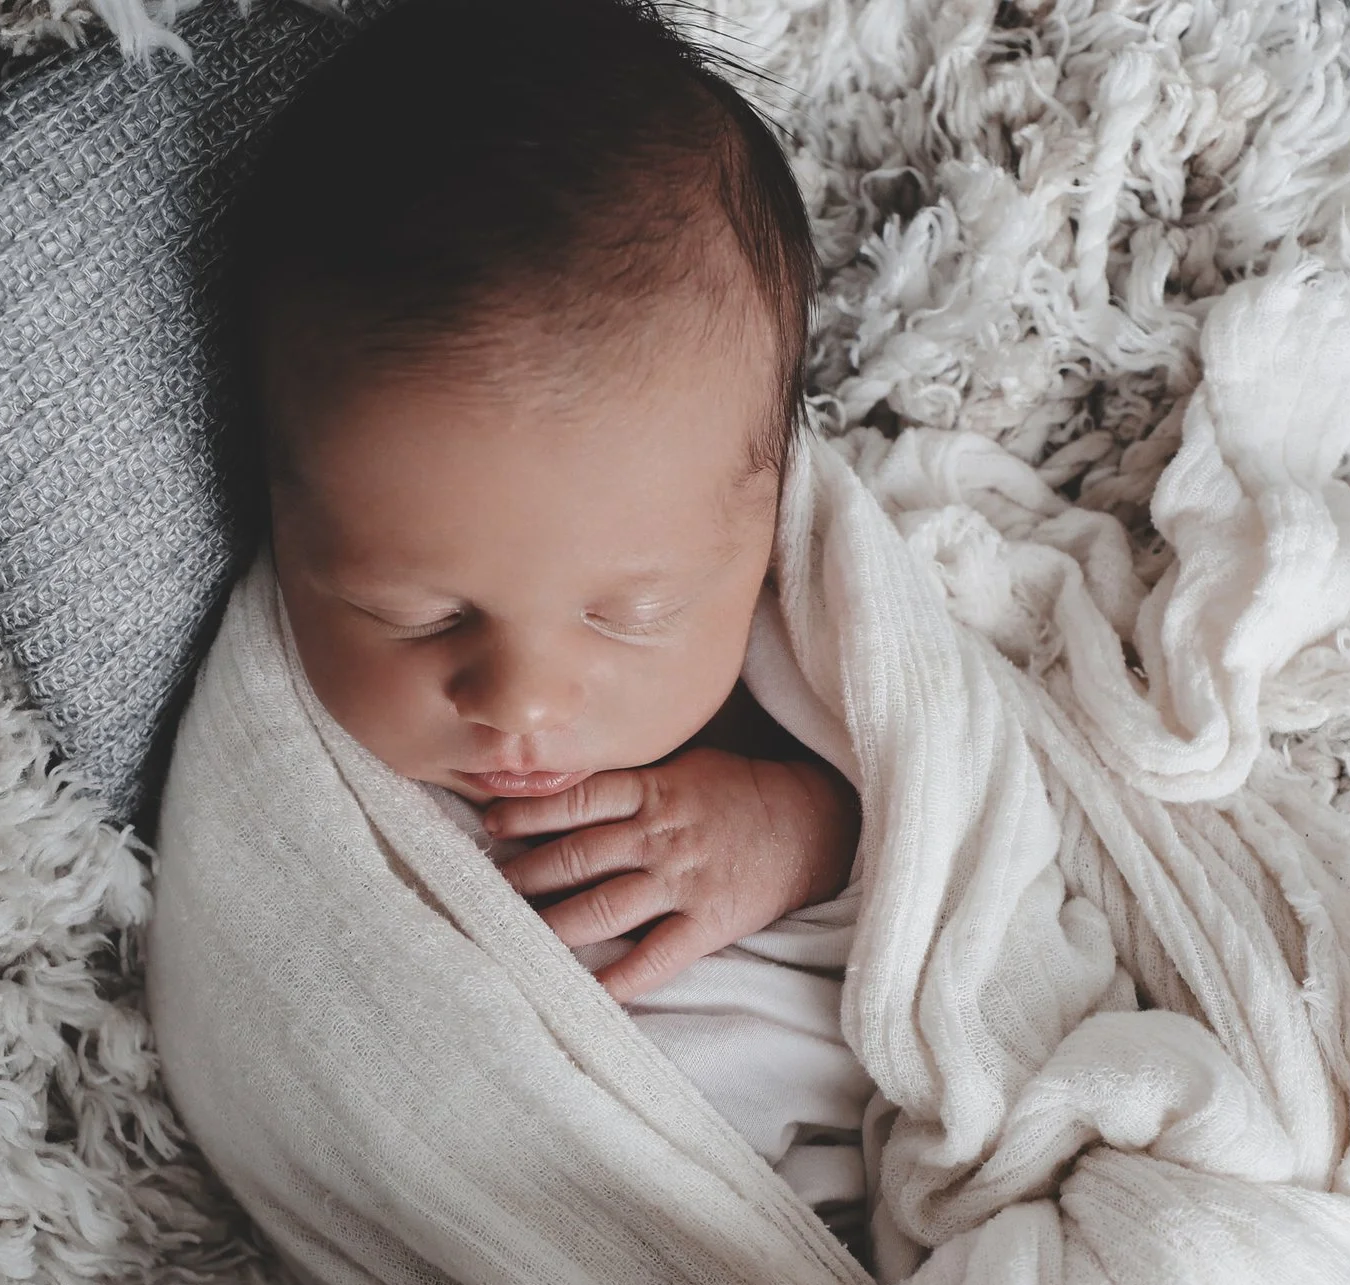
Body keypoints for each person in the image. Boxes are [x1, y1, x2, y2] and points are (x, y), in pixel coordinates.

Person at [223, 0, 879, 1216]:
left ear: (767, 513)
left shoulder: (800, 661)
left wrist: (799, 828)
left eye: (629, 615)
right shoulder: (277, 770)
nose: (518, 702)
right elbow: (266, 1026)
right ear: (280, 509)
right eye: (413, 615)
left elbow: (957, 844)